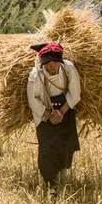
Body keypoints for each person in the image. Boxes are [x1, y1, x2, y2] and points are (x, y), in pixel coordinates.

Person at [26, 42, 81, 192]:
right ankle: (50, 184)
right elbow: (33, 100)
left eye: (55, 62)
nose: (52, 66)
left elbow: (75, 93)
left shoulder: (68, 68)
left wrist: (61, 112)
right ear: (43, 62)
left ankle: (61, 176)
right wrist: (49, 115)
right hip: (44, 113)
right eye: (48, 63)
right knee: (47, 148)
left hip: (66, 108)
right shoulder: (35, 75)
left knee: (66, 145)